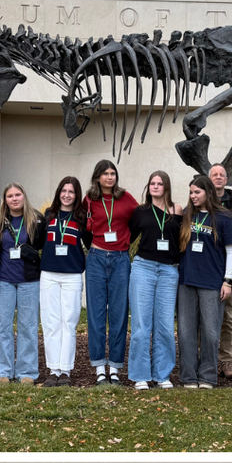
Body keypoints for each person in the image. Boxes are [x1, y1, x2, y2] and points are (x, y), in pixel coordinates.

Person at [176, 175, 232, 389]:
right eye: (191, 192)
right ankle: (188, 376)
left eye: (197, 192)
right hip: (186, 280)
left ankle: (208, 376)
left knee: (211, 332)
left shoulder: (224, 217)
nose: (193, 196)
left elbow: (231, 251)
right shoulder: (185, 215)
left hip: (212, 282)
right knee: (186, 331)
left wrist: (227, 281)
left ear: (209, 193)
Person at [83, 161, 138, 385]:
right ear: (97, 177)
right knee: (96, 315)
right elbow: (82, 227)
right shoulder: (88, 199)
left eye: (113, 173)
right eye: (105, 174)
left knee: (119, 314)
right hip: (96, 259)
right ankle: (98, 368)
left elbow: (139, 221)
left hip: (120, 260)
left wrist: (125, 242)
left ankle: (114, 368)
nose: (109, 177)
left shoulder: (126, 198)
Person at [127, 171, 181, 390]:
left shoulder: (176, 210)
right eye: (152, 183)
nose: (155, 186)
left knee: (166, 326)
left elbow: (181, 240)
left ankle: (162, 375)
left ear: (166, 186)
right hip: (144, 268)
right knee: (141, 325)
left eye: (159, 183)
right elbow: (127, 238)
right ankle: (140, 375)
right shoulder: (140, 211)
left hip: (169, 271)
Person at [0, 183, 45, 384]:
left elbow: (43, 247)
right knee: (2, 326)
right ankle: (2, 370)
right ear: (5, 200)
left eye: (17, 194)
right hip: (3, 280)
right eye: (9, 196)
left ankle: (27, 372)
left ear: (24, 196)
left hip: (29, 280)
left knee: (28, 326)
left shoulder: (36, 219)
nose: (14, 199)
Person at [39, 176, 92, 387]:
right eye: (64, 191)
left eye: (71, 192)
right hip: (49, 275)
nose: (67, 195)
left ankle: (66, 371)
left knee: (68, 323)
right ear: (58, 192)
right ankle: (53, 369)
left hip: (72, 275)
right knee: (51, 323)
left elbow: (90, 244)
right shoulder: (48, 215)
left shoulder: (81, 218)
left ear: (76, 195)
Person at [208, 164, 232, 382]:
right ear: (209, 179)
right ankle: (207, 360)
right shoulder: (200, 199)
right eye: (214, 174)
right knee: (205, 319)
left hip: (229, 270)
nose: (218, 177)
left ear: (226, 179)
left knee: (228, 318)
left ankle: (225, 361)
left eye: (222, 175)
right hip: (207, 268)